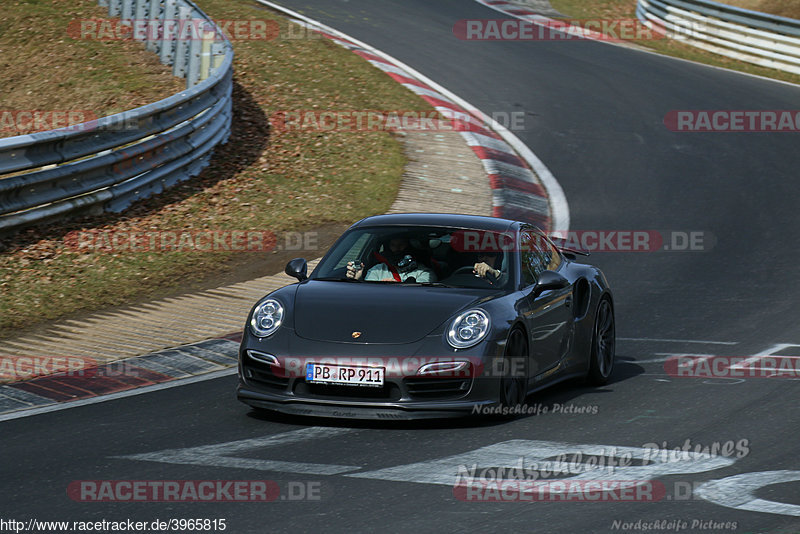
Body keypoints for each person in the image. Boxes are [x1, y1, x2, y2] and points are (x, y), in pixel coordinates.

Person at [346, 236, 436, 282]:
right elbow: (367, 295)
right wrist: (357, 279)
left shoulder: (425, 273)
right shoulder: (376, 270)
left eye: (401, 244)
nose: (397, 248)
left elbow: (419, 296)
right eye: (393, 245)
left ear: (410, 247)